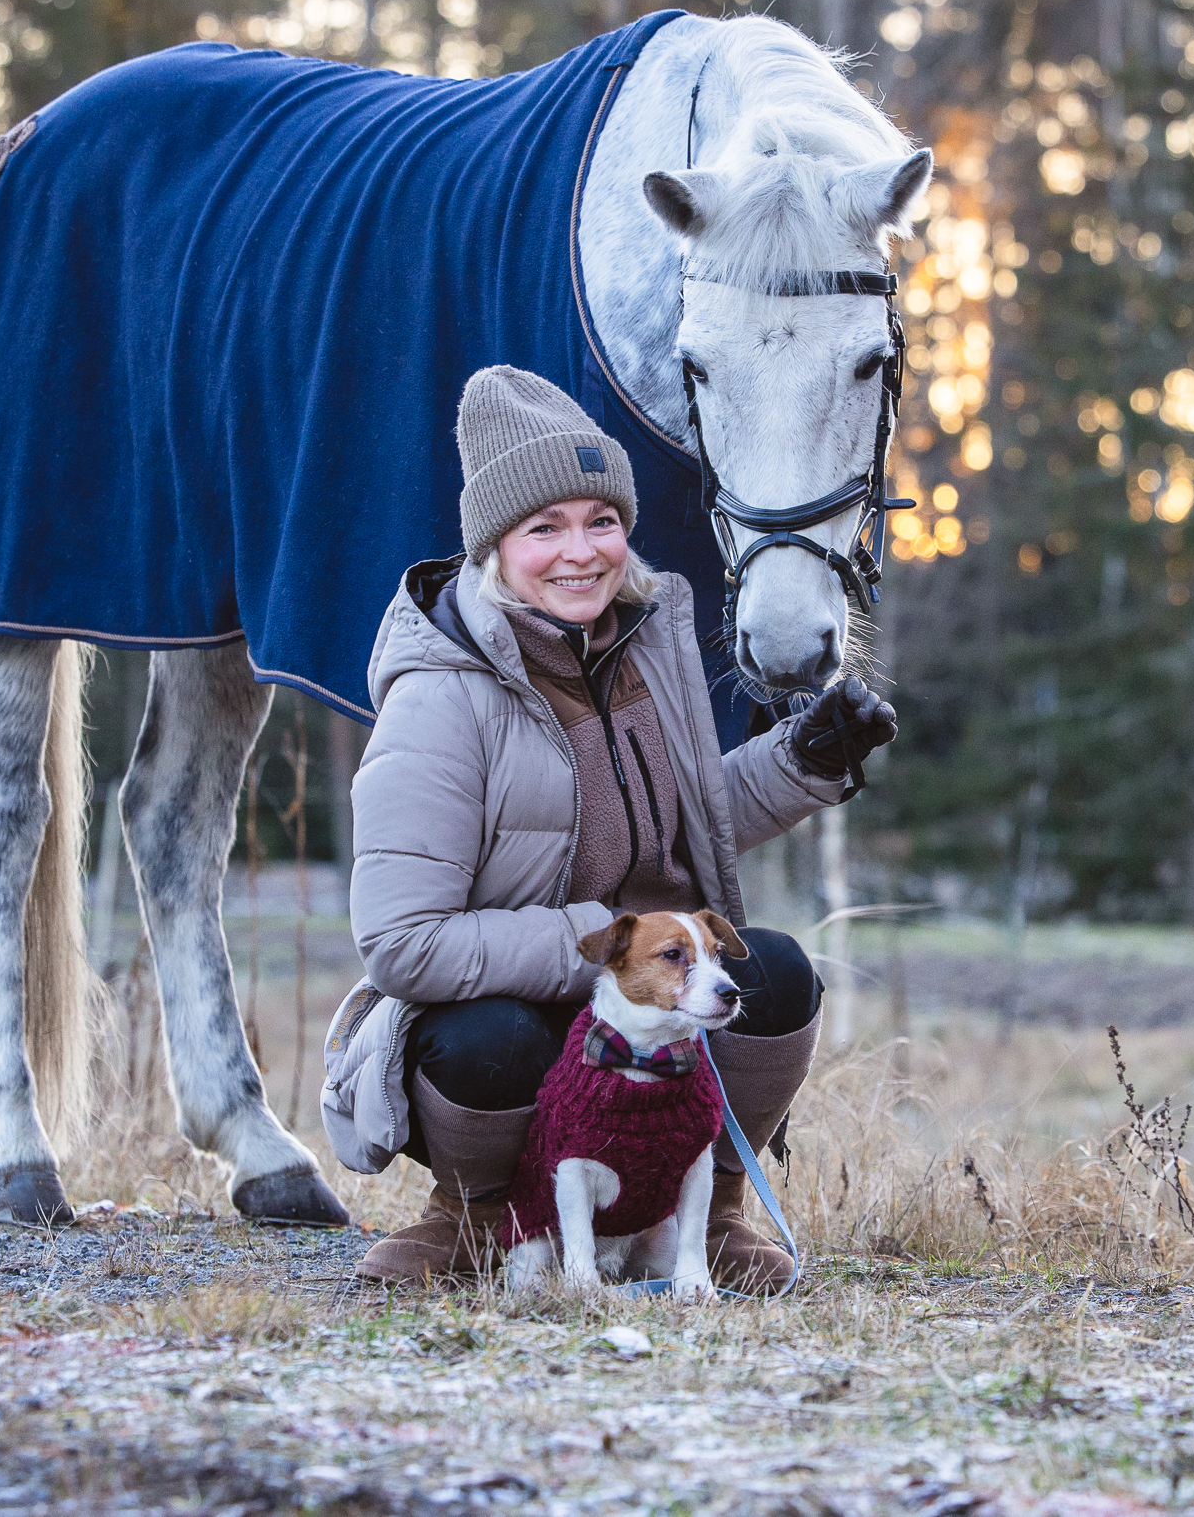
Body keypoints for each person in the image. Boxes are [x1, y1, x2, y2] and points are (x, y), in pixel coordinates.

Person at [321, 366, 896, 1290]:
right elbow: (399, 943)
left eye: (601, 520)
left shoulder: (639, 641)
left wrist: (806, 762)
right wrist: (601, 946)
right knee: (495, 1041)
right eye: (543, 527)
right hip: (503, 1007)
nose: (580, 552)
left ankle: (699, 1220)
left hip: (641, 992)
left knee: (777, 975)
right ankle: (474, 1220)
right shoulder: (439, 697)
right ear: (492, 548)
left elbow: (685, 821)